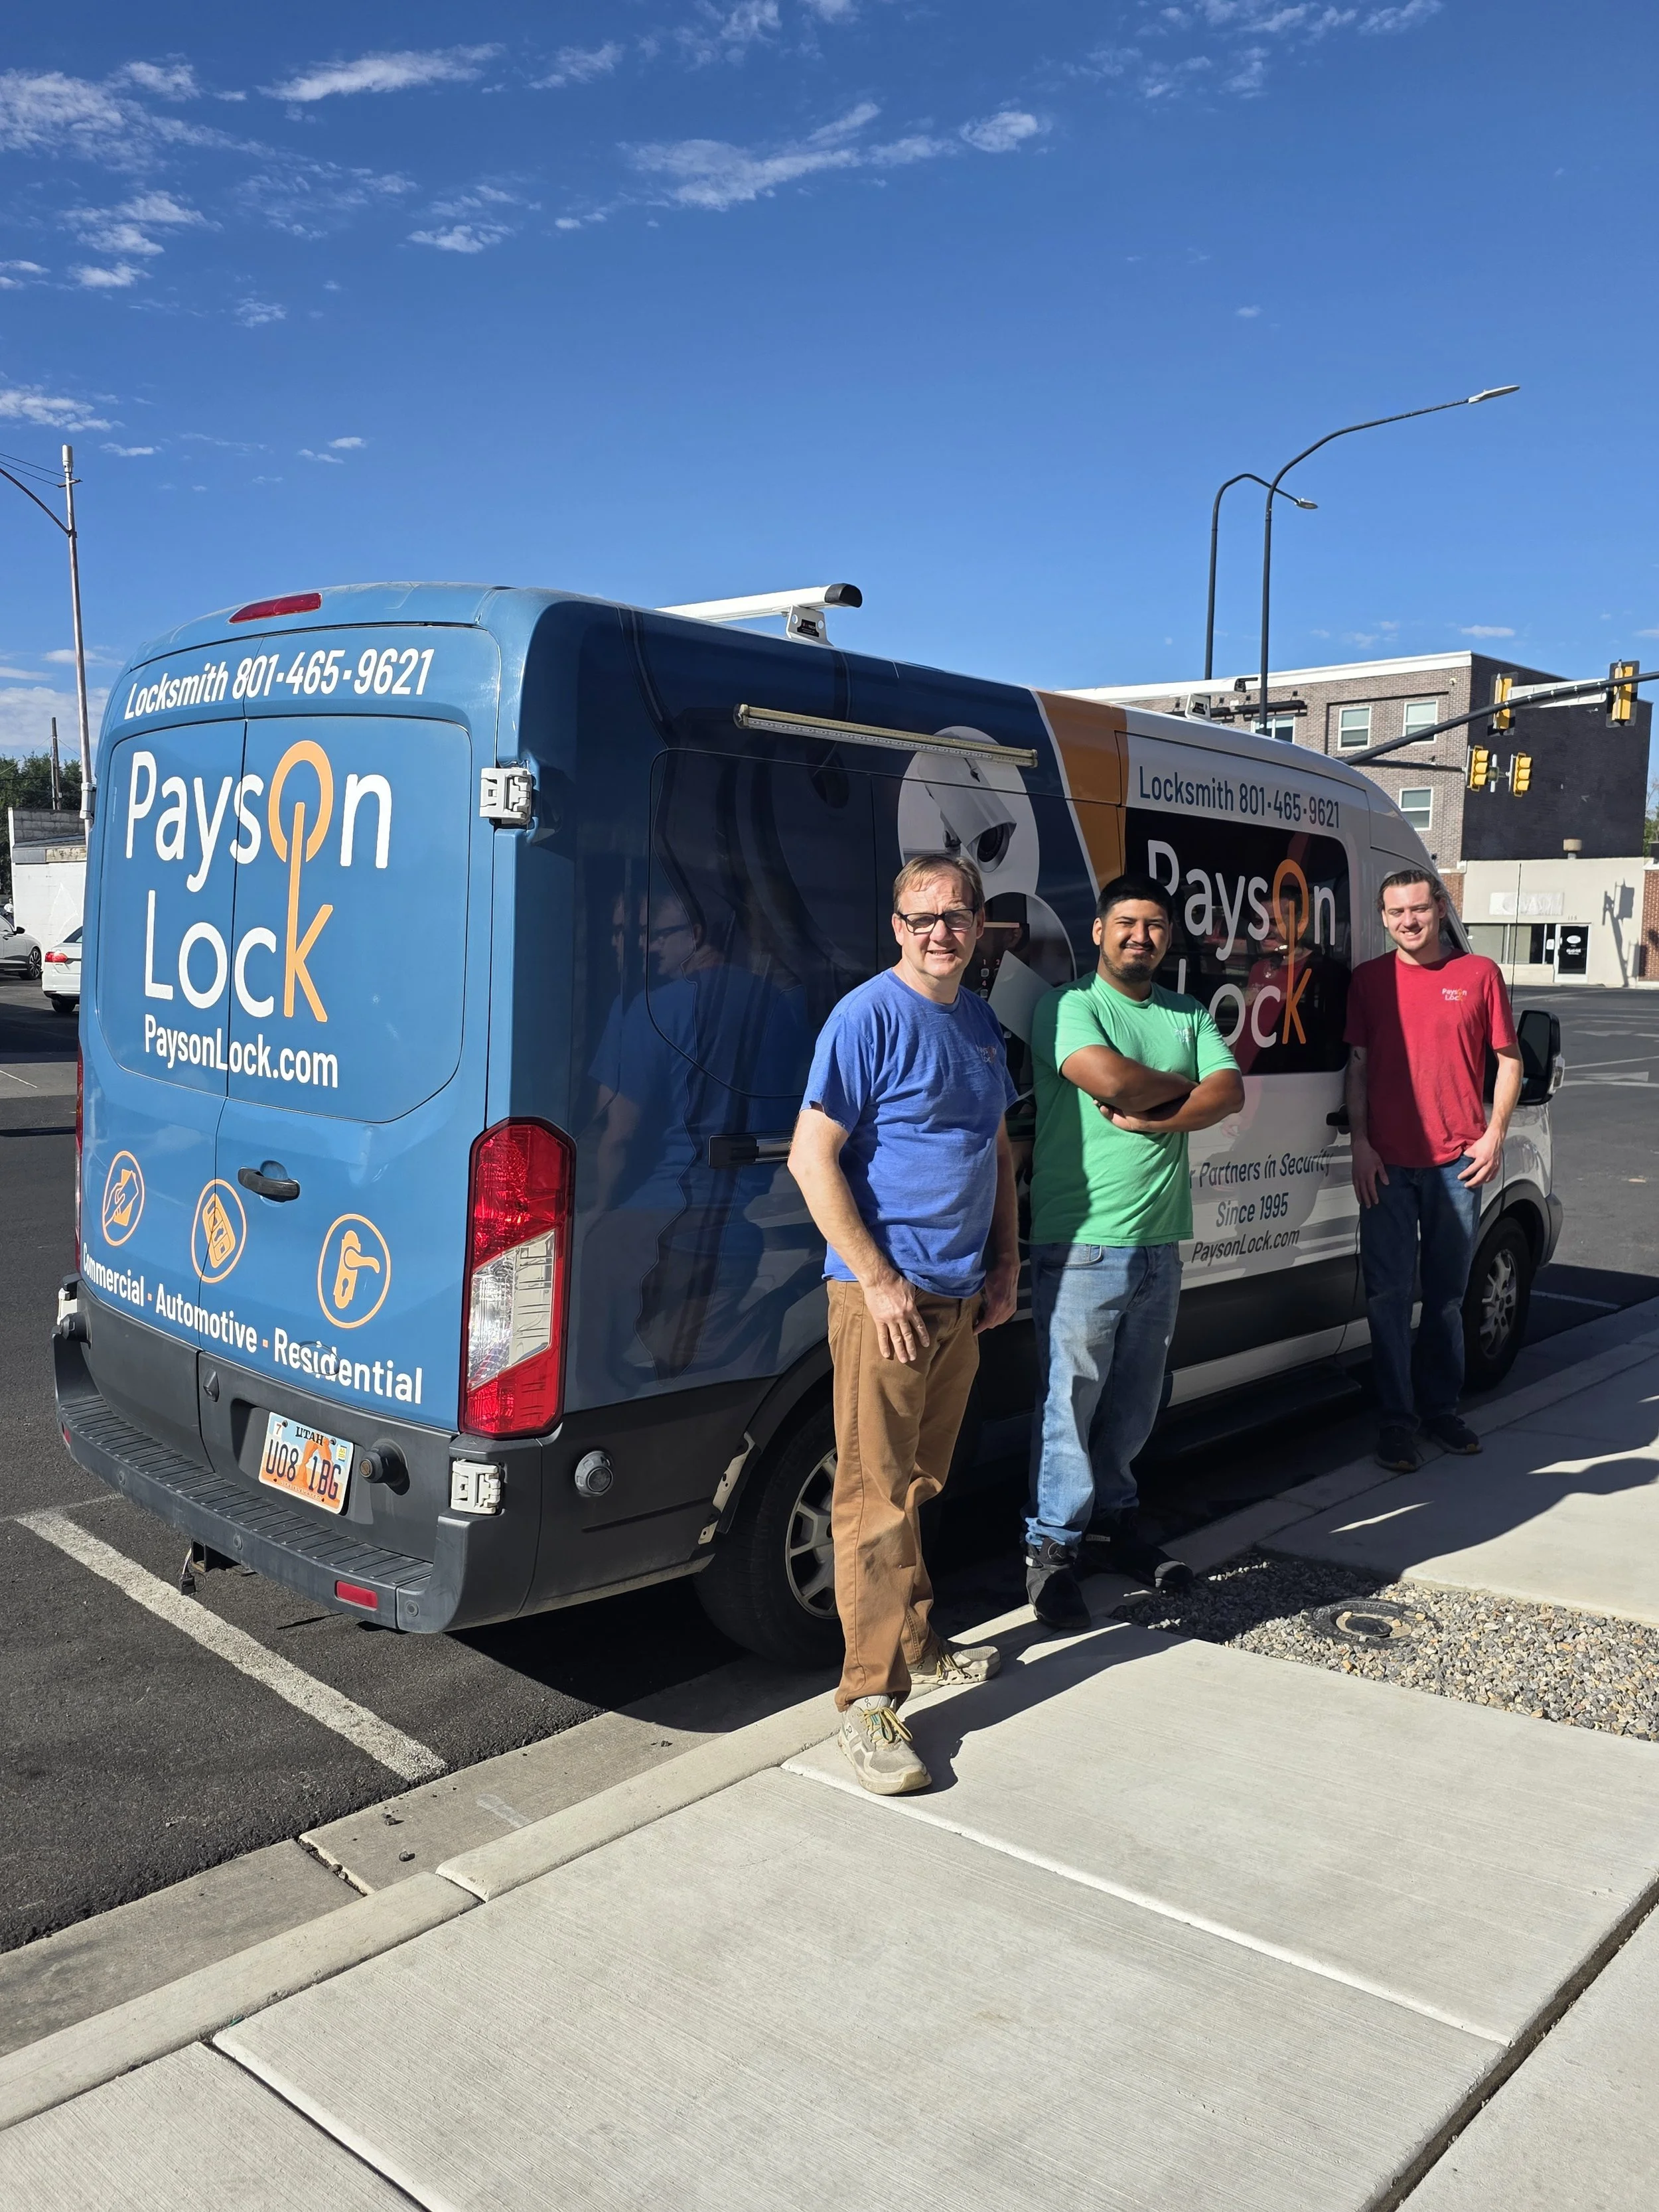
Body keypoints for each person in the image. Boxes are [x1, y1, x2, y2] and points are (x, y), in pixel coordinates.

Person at [788, 853, 1019, 1796]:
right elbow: (813, 1157)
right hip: (885, 1300)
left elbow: (997, 1145)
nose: (940, 931)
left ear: (978, 924)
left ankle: (918, 1644)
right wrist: (880, 1282)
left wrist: (1005, 1262)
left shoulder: (976, 1020)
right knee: (873, 1496)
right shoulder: (868, 1017)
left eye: (956, 914)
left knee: (917, 1482)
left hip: (958, 1296)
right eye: (922, 917)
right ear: (896, 925)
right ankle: (868, 1702)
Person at [1023, 874, 1244, 1630]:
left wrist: (1159, 1115)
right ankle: (1050, 1551)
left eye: (1153, 925)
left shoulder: (1185, 1011)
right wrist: (1187, 1091)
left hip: (1159, 1245)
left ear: (1167, 937)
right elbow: (1107, 1077)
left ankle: (1115, 1529)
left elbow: (1230, 1092)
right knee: (1069, 1406)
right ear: (1097, 932)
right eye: (1126, 923)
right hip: (1082, 1241)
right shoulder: (1069, 1007)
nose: (1139, 937)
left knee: (1132, 1403)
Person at [1344, 869, 1521, 1472]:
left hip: (1456, 1165)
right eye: (1396, 913)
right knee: (1387, 1297)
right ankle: (1397, 1420)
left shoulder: (1479, 975)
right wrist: (1361, 1144)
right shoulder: (1369, 982)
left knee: (1447, 1297)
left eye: (1418, 909)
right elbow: (1359, 1067)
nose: (1408, 922)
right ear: (1383, 916)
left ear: (1441, 908)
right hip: (1387, 1166)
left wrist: (1494, 1134)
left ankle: (1441, 1409)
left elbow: (1509, 1061)